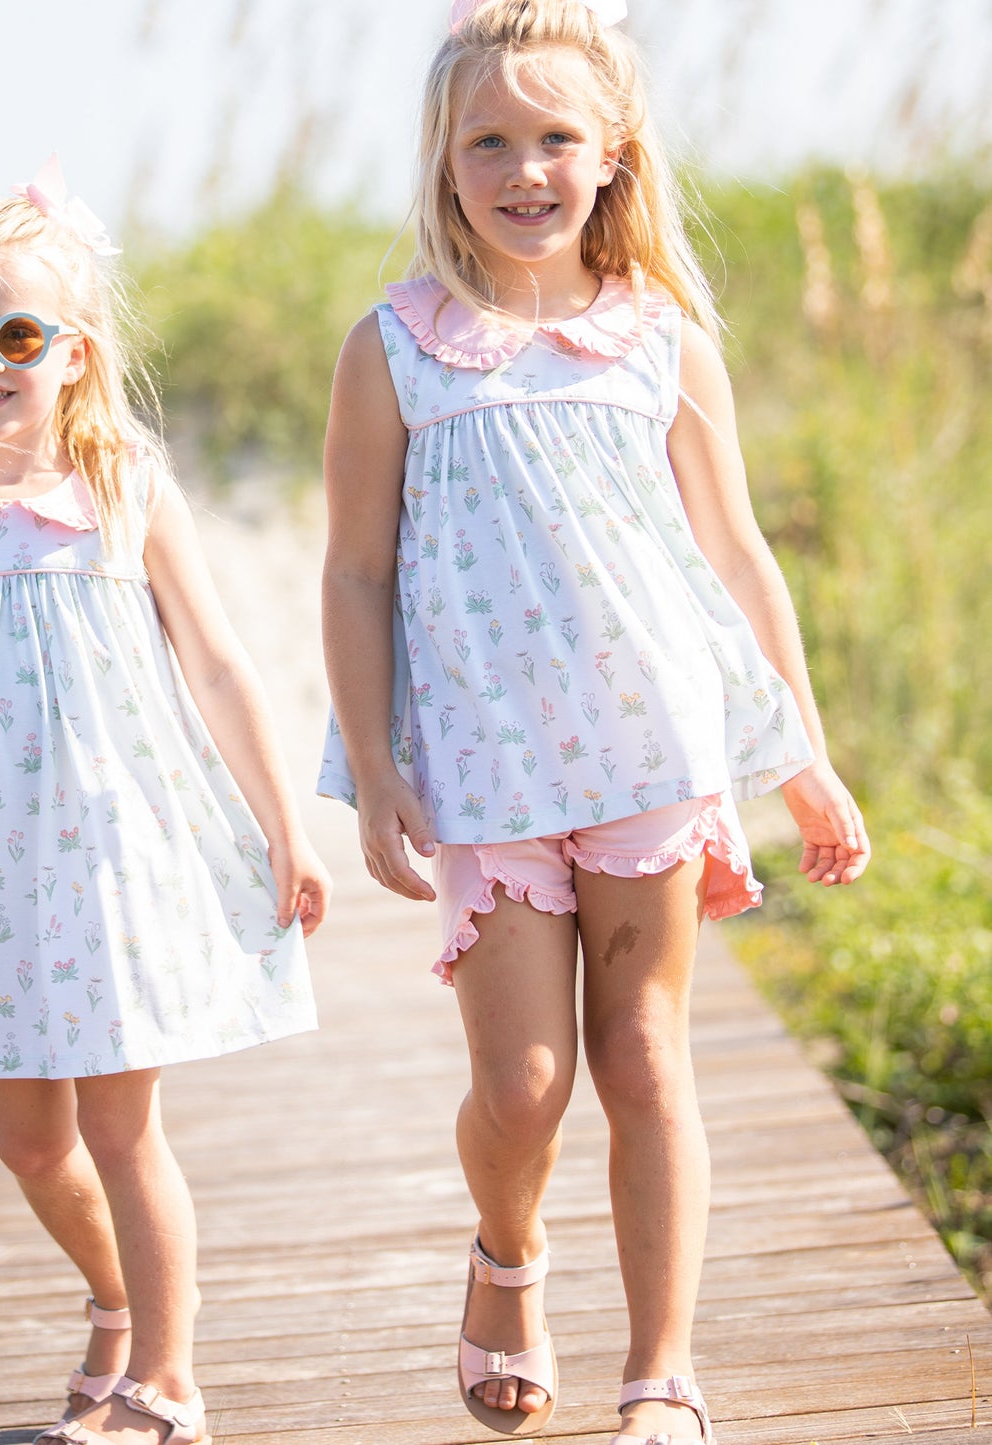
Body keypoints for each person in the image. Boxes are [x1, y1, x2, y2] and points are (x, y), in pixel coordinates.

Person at [318, 2, 869, 1440]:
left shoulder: (661, 340)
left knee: (640, 1057)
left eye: (555, 136)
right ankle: (506, 1255)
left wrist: (801, 757)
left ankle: (661, 1373)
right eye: (486, 141)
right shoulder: (396, 351)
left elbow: (738, 556)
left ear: (612, 153)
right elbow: (357, 568)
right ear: (442, 163)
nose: (522, 169)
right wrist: (374, 764)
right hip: (490, 771)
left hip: (653, 748)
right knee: (526, 1082)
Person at [0, 158, 327, 1445]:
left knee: (123, 1129)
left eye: (17, 333)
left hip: (113, 860)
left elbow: (219, 661)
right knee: (25, 1142)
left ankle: (167, 1376)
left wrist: (284, 821)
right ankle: (114, 1300)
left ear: (75, 353)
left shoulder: (122, 489)